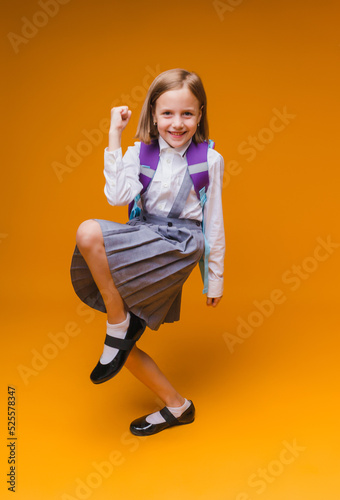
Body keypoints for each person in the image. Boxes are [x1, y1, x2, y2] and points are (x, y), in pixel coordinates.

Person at [70, 68, 225, 436]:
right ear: (153, 115)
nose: (177, 123)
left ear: (200, 114)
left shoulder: (210, 159)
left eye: (187, 113)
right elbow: (117, 198)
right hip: (144, 236)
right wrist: (114, 136)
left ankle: (117, 321)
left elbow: (214, 220)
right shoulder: (138, 152)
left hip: (179, 247)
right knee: (89, 235)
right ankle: (177, 406)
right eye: (167, 113)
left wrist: (214, 279)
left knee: (91, 234)